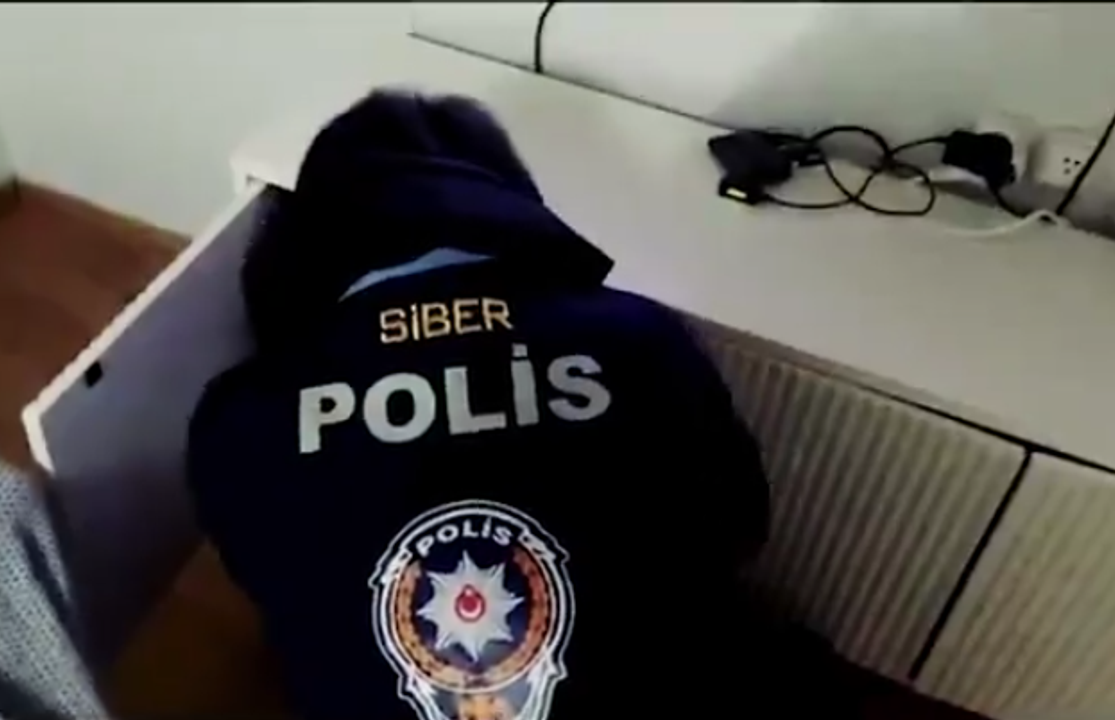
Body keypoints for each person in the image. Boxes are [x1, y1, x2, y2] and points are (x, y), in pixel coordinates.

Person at [187, 89, 770, 719]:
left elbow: (268, 578)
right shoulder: (642, 339)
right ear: (507, 200)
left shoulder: (243, 411)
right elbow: (741, 526)